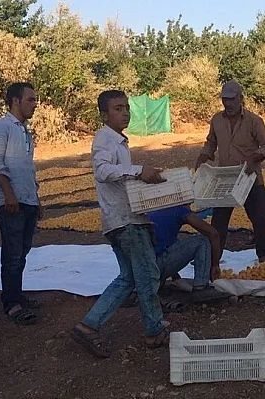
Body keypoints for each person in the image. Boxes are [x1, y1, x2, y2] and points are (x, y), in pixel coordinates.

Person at [71, 90, 167, 358]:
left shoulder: (120, 142)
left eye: (126, 107)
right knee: (147, 275)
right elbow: (102, 172)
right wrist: (138, 171)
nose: (125, 112)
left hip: (126, 219)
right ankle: (153, 331)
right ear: (104, 115)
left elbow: (124, 185)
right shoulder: (105, 139)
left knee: (128, 278)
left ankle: (88, 326)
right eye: (117, 108)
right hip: (123, 222)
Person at [195, 80, 265, 263]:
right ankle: (213, 257)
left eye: (231, 99)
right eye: (224, 99)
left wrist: (255, 157)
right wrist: (204, 155)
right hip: (226, 179)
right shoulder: (217, 120)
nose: (227, 103)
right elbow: (211, 142)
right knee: (219, 222)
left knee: (261, 221)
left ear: (240, 98)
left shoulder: (254, 121)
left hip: (249, 178)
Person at [0, 82, 41, 325]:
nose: (34, 104)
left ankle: (16, 294)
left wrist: (37, 199)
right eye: (30, 99)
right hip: (12, 203)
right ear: (16, 101)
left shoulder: (25, 131)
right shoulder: (0, 127)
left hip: (27, 199)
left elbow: (27, 168)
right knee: (12, 254)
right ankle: (11, 303)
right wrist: (9, 195)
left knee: (23, 251)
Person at [148, 205, 228, 303]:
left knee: (175, 241)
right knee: (202, 241)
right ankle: (201, 287)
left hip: (146, 267)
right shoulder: (180, 210)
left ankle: (160, 281)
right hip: (156, 266)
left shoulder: (156, 209)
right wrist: (215, 265)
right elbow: (213, 234)